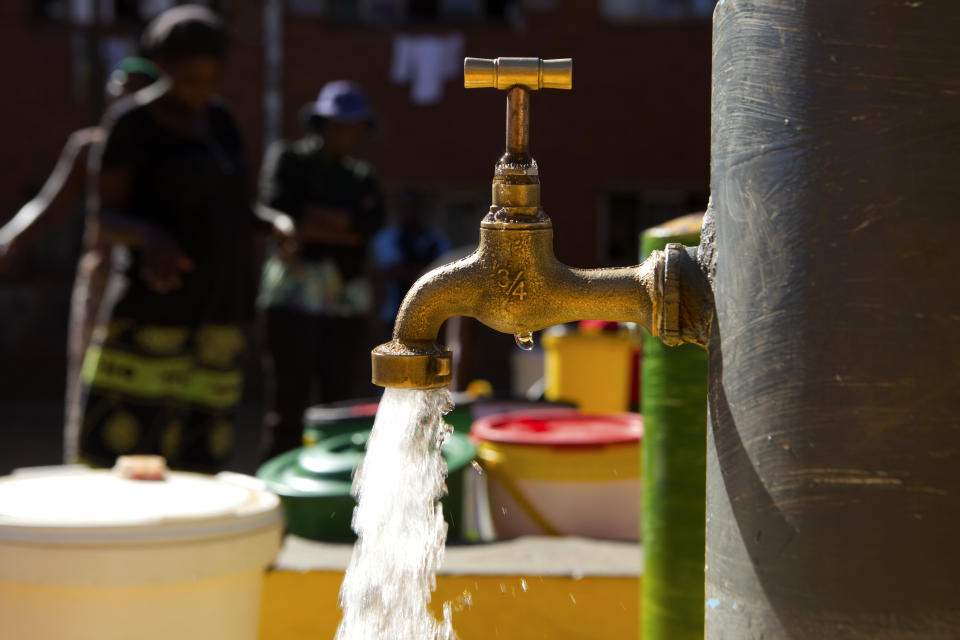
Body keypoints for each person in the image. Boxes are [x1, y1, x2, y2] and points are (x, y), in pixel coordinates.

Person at [78, 6, 293, 471]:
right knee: (128, 447)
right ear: (162, 67)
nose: (201, 90)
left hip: (219, 309)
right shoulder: (132, 124)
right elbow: (105, 217)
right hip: (154, 311)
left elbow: (235, 205)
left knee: (201, 452)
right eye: (189, 78)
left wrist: (274, 223)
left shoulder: (220, 121)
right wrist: (152, 237)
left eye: (210, 78)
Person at [0, 57, 160, 464]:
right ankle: (88, 465)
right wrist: (7, 241)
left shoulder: (167, 154)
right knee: (93, 376)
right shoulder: (90, 148)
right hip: (102, 280)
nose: (126, 95)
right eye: (121, 86)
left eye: (138, 88)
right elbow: (48, 207)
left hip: (153, 283)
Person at [258, 80, 385, 461]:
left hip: (344, 305)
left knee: (339, 403)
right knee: (287, 402)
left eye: (355, 126)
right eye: (338, 124)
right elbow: (277, 211)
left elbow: (367, 226)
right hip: (291, 299)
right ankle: (279, 485)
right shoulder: (288, 161)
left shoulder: (362, 177)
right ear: (321, 124)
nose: (347, 134)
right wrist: (340, 226)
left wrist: (314, 220)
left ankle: (331, 487)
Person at [370, 187, 449, 341]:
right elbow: (397, 273)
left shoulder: (437, 240)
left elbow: (445, 278)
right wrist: (427, 274)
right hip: (395, 316)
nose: (410, 212)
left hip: (431, 318)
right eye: (405, 207)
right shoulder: (387, 238)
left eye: (414, 207)